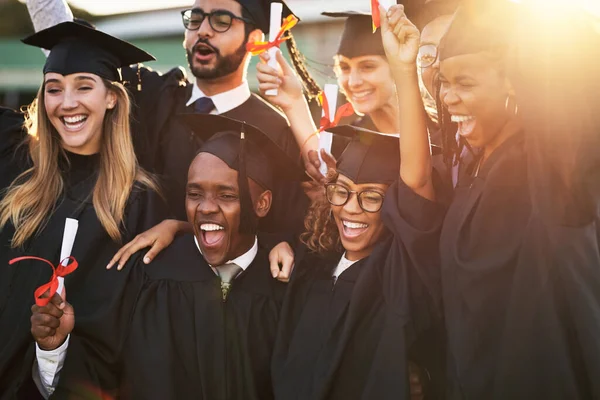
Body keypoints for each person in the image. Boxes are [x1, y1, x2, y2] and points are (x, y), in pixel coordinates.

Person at [30, 114, 306, 399]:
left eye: (226, 195)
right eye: (194, 193)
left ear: (262, 204)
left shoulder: (286, 287)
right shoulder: (147, 274)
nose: (206, 208)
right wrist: (55, 348)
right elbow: (97, 376)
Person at [405, 1, 600, 397]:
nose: (447, 97)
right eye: (444, 80)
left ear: (515, 82)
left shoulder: (543, 174)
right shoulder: (478, 166)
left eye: (466, 83)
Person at [268, 6, 446, 399]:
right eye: (344, 67)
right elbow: (324, 169)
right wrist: (295, 105)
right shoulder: (356, 138)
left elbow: (416, 184)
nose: (352, 80)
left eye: (367, 66)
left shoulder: (440, 143)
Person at [26, 0, 315, 235]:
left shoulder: (273, 129)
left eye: (221, 21)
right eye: (195, 19)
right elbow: (73, 42)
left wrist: (295, 105)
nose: (203, 30)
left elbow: (287, 225)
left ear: (254, 40)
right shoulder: (152, 95)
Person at [0, 22, 168, 399]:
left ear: (111, 97)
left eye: (84, 86)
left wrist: (52, 351)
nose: (67, 102)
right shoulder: (14, 172)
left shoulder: (137, 203)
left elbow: (117, 339)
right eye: (54, 89)